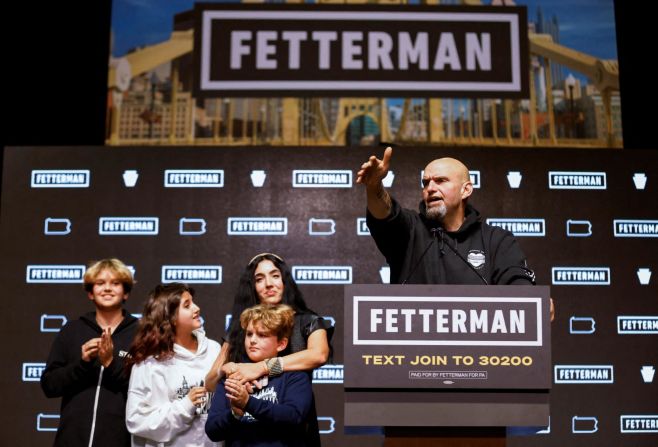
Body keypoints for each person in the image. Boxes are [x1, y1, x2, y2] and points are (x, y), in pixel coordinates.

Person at [357, 147, 536, 285]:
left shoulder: (496, 240)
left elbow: (517, 282)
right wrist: (374, 186)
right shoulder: (410, 230)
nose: (430, 188)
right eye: (426, 183)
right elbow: (385, 213)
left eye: (441, 180)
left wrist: (534, 301)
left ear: (466, 190)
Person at [205, 253, 333, 446]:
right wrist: (227, 369)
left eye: (275, 275)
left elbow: (319, 354)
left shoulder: (308, 321)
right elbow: (210, 382)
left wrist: (262, 367)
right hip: (244, 434)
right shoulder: (240, 327)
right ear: (252, 288)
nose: (268, 284)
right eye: (259, 279)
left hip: (290, 429)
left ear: (284, 279)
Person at [40, 258, 138, 447]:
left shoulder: (141, 333)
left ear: (125, 293)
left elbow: (148, 389)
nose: (107, 288)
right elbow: (49, 385)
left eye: (115, 283)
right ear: (90, 293)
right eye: (100, 283)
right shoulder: (71, 330)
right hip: (70, 439)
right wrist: (83, 363)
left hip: (121, 440)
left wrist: (110, 363)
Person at [125, 283, 220, 447]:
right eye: (187, 305)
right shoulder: (149, 363)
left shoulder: (214, 349)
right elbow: (136, 421)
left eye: (193, 302)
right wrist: (185, 406)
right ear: (171, 318)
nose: (197, 308)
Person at [205, 304, 312, 446]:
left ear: (281, 344)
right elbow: (212, 431)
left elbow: (294, 417)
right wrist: (234, 413)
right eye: (249, 334)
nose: (252, 340)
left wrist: (248, 402)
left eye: (262, 335)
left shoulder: (294, 375)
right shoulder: (232, 376)